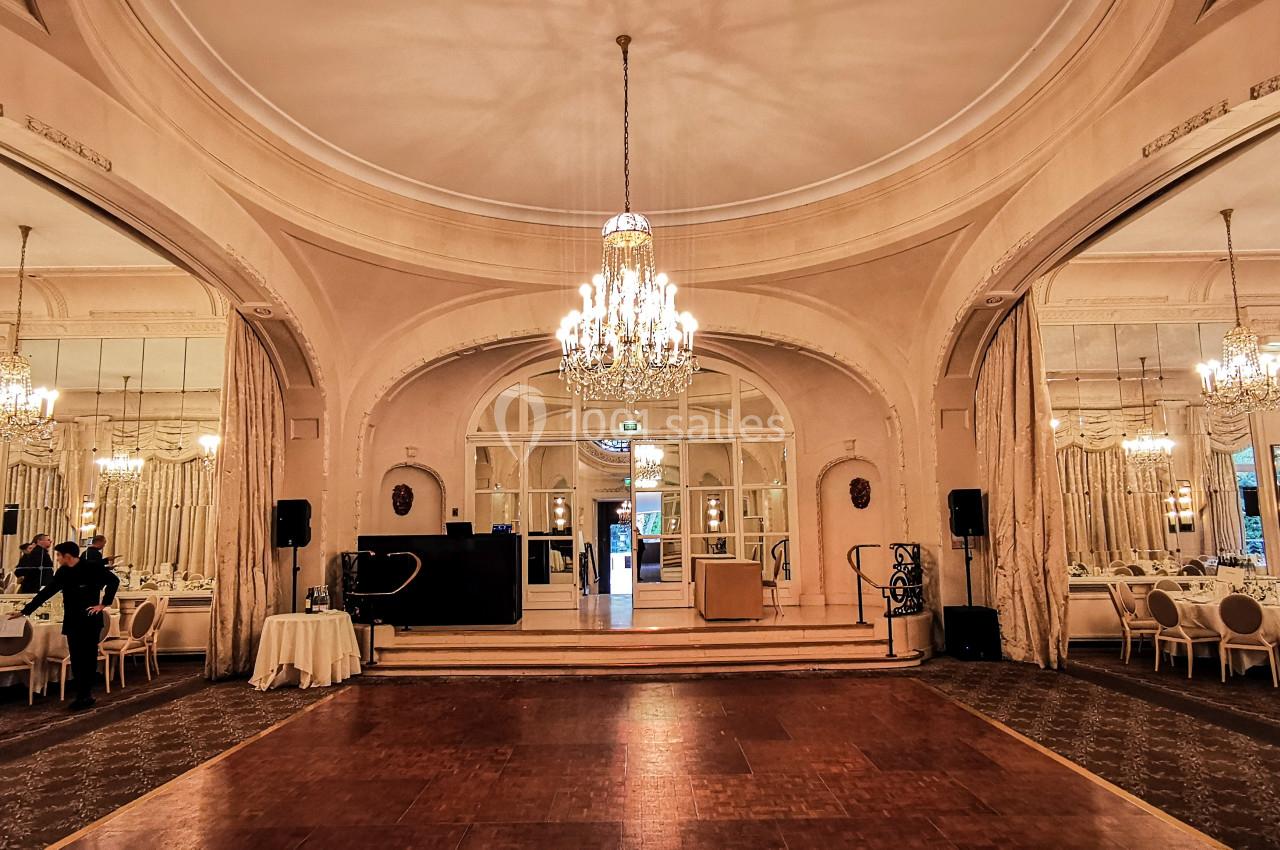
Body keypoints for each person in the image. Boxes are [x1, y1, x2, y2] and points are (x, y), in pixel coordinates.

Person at [9, 541, 118, 710]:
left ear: (67, 556)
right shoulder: (63, 572)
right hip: (73, 620)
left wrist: (104, 604)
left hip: (90, 620)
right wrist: (25, 611)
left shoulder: (92, 567)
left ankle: (85, 695)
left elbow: (114, 581)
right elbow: (47, 592)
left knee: (88, 658)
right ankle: (82, 695)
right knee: (76, 658)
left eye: (59, 555)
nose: (57, 559)